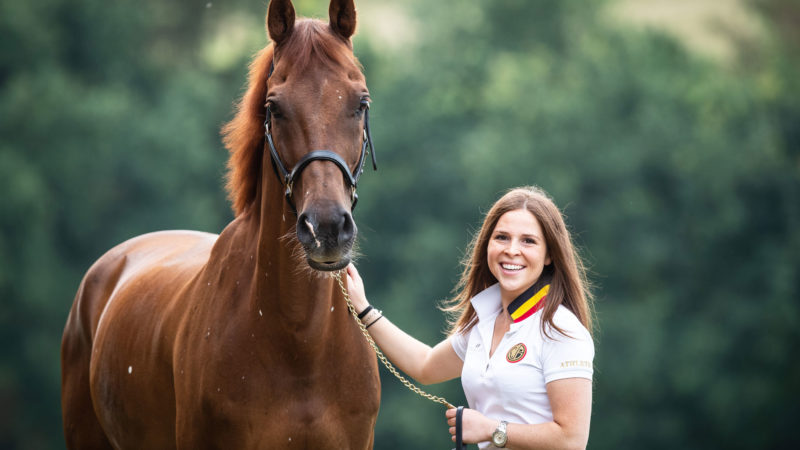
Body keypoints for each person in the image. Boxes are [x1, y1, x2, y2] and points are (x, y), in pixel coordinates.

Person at [346, 186, 595, 449]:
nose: (512, 250)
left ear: (549, 255)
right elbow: (425, 366)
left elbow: (572, 440)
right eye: (502, 237)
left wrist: (492, 429)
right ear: (487, 245)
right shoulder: (485, 321)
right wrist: (363, 308)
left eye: (528, 241)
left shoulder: (561, 329)